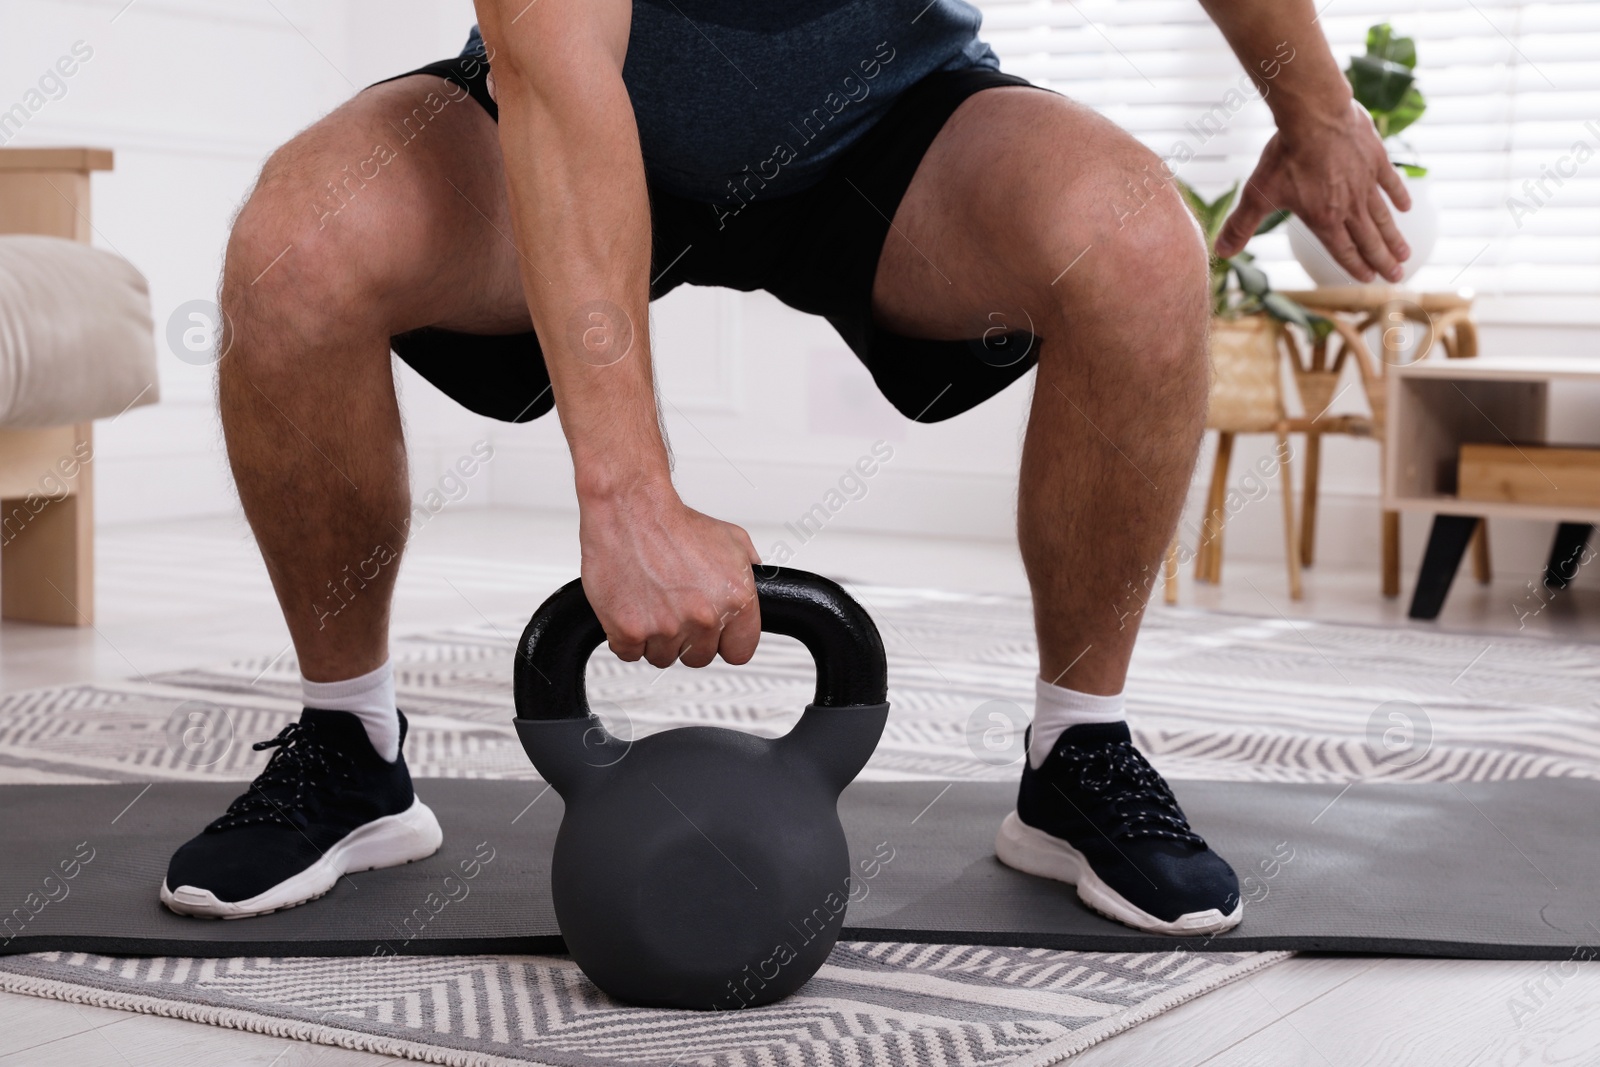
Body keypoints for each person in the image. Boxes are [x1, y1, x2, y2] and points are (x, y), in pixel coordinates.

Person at [161, 0, 1409, 932]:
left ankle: (1076, 753)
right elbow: (552, 59)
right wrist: (629, 495)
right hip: (572, 102)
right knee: (299, 242)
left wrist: (1315, 113)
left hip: (888, 118)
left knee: (1137, 244)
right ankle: (349, 745)